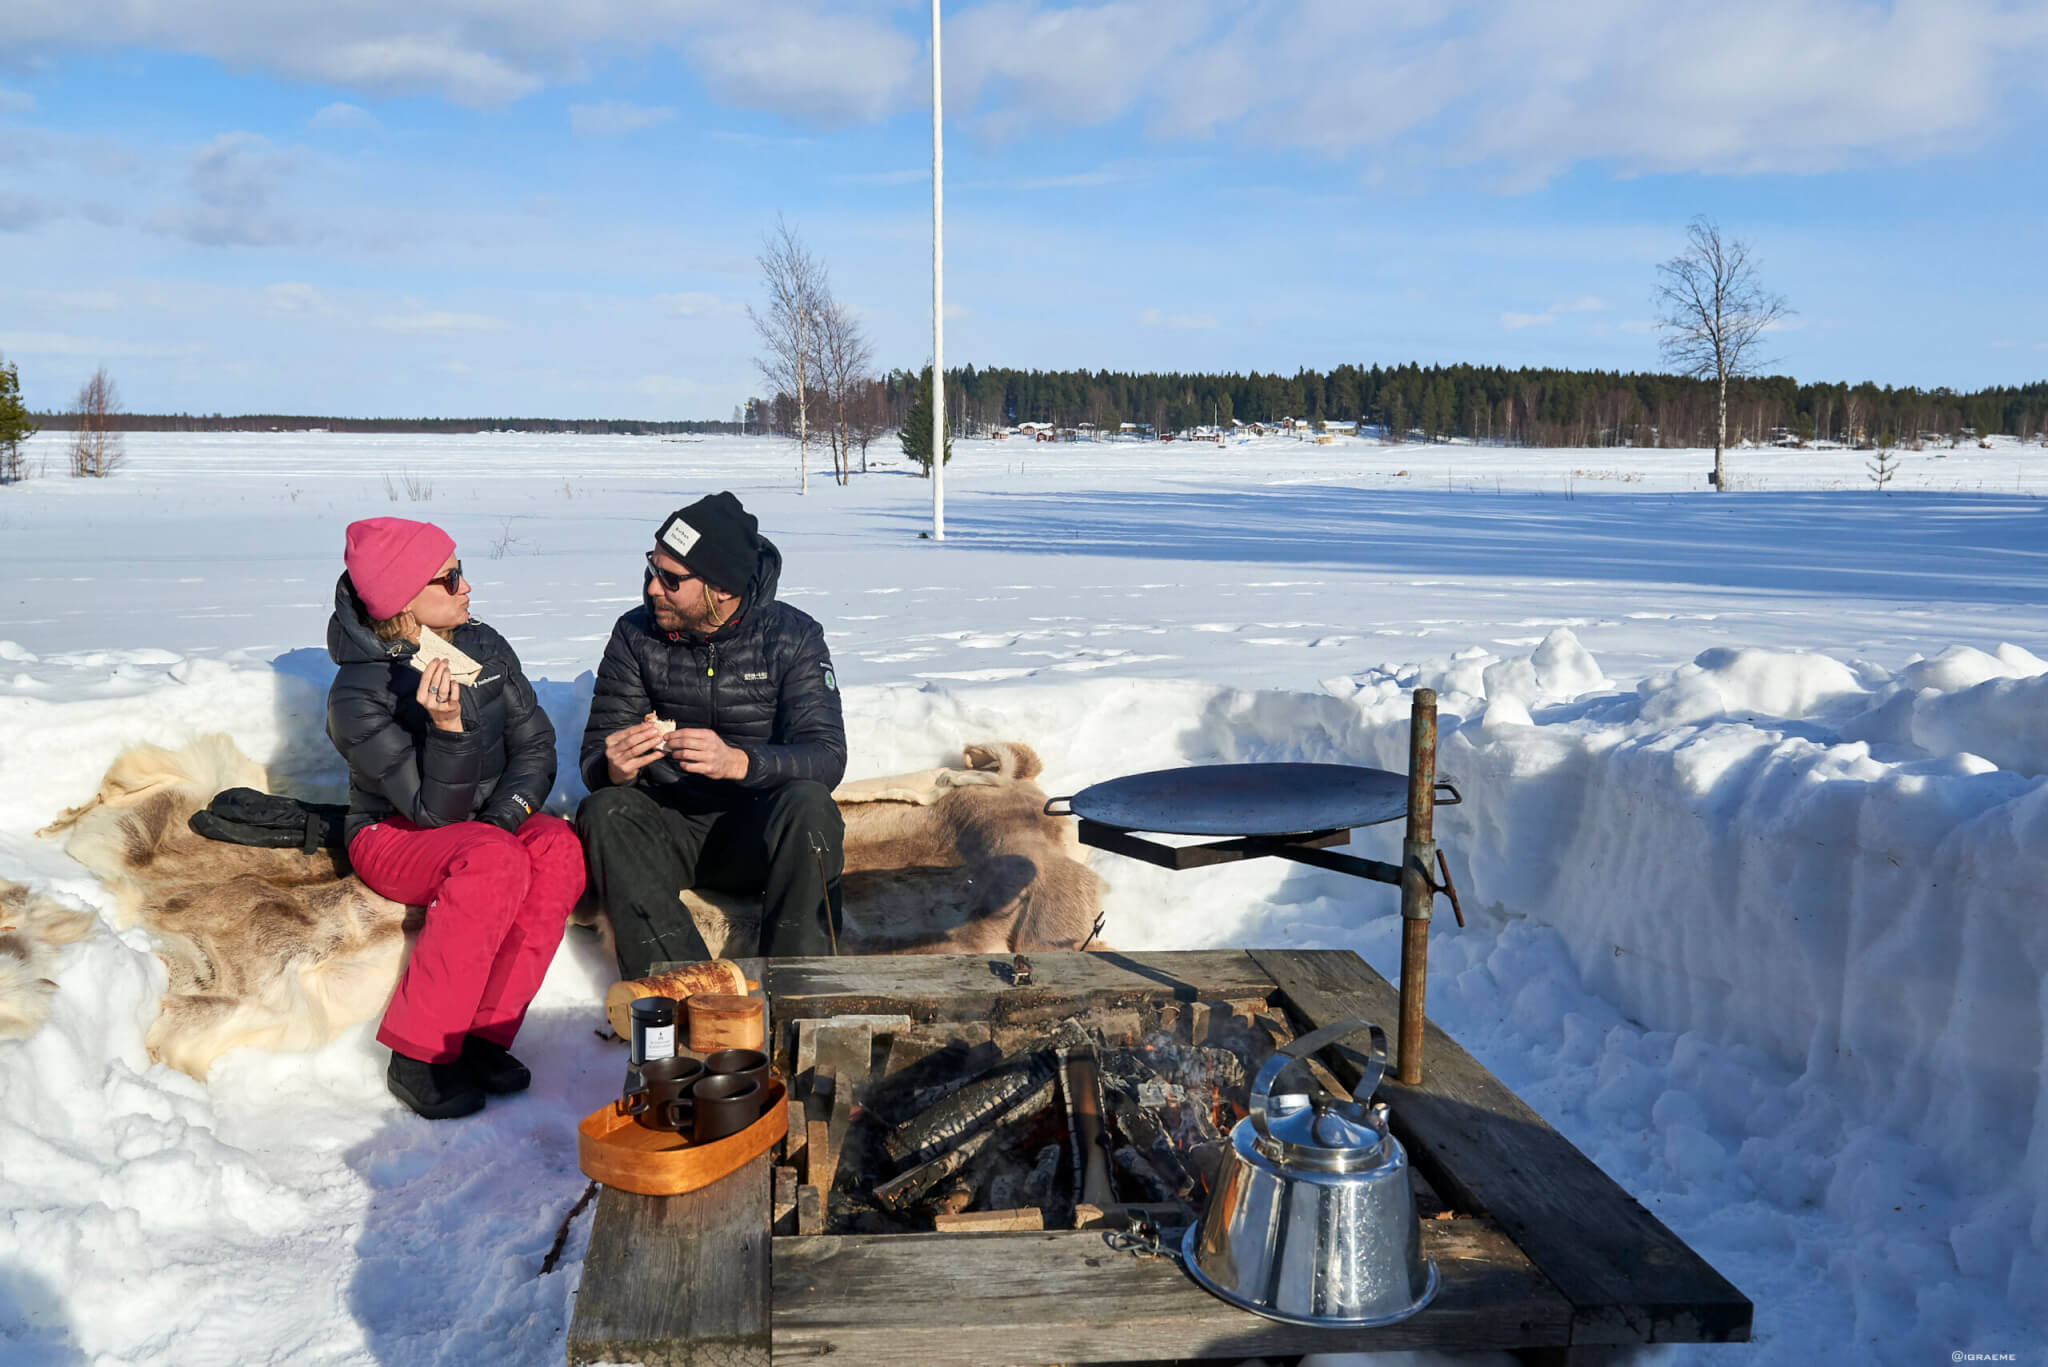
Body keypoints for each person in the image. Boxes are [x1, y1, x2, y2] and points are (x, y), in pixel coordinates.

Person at [325, 517, 584, 1120]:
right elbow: (430, 814)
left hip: (484, 825)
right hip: (393, 835)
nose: (467, 586)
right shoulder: (358, 695)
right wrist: (448, 730)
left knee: (558, 848)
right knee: (492, 859)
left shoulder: (485, 646)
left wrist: (503, 818)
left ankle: (482, 1035)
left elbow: (536, 747)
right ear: (403, 602)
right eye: (450, 577)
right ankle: (420, 1054)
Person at [576, 491, 846, 979]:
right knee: (604, 810)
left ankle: (801, 992)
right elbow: (596, 754)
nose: (654, 589)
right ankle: (692, 992)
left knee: (809, 805)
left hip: (759, 832)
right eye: (652, 569)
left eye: (672, 579)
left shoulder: (794, 636)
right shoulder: (634, 635)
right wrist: (612, 766)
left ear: (721, 588)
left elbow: (826, 756)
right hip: (672, 826)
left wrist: (741, 763)